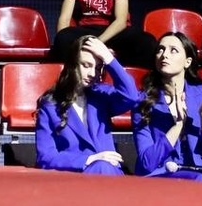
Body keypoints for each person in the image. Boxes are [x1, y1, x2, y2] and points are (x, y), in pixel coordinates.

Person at [132, 31, 202, 181]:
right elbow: (147, 162)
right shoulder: (143, 101)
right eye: (160, 50)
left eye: (173, 50)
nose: (164, 55)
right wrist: (178, 126)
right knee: (200, 181)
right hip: (162, 172)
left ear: (187, 62)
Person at [35, 34, 139, 174]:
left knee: (104, 168)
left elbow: (131, 96)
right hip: (74, 176)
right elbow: (45, 157)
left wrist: (109, 59)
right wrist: (89, 159)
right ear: (72, 64)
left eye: (97, 68)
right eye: (86, 65)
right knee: (102, 166)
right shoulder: (51, 105)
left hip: (108, 173)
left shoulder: (101, 96)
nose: (92, 73)